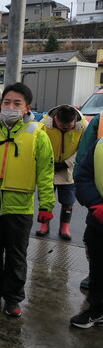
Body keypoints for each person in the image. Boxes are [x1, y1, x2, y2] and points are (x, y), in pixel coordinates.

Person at [0, 82, 55, 317]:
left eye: (17, 104)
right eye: (7, 102)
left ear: (27, 107)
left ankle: (13, 298)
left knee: (16, 256)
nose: (10, 107)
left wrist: (46, 204)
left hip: (20, 208)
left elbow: (45, 172)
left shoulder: (37, 134)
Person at [37, 105, 88, 240]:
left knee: (68, 201)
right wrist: (47, 162)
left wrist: (67, 163)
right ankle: (44, 225)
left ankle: (65, 228)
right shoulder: (43, 124)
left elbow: (84, 148)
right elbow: (38, 144)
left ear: (74, 121)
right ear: (55, 119)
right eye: (61, 125)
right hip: (48, 167)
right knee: (45, 198)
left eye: (68, 126)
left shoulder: (83, 126)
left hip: (68, 169)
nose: (64, 128)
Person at [70, 138, 103, 328]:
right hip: (99, 221)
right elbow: (83, 176)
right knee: (98, 267)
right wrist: (96, 205)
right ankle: (97, 309)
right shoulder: (99, 146)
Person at [74, 112, 101, 289]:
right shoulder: (99, 121)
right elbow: (82, 170)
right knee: (95, 248)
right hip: (99, 215)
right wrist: (96, 204)